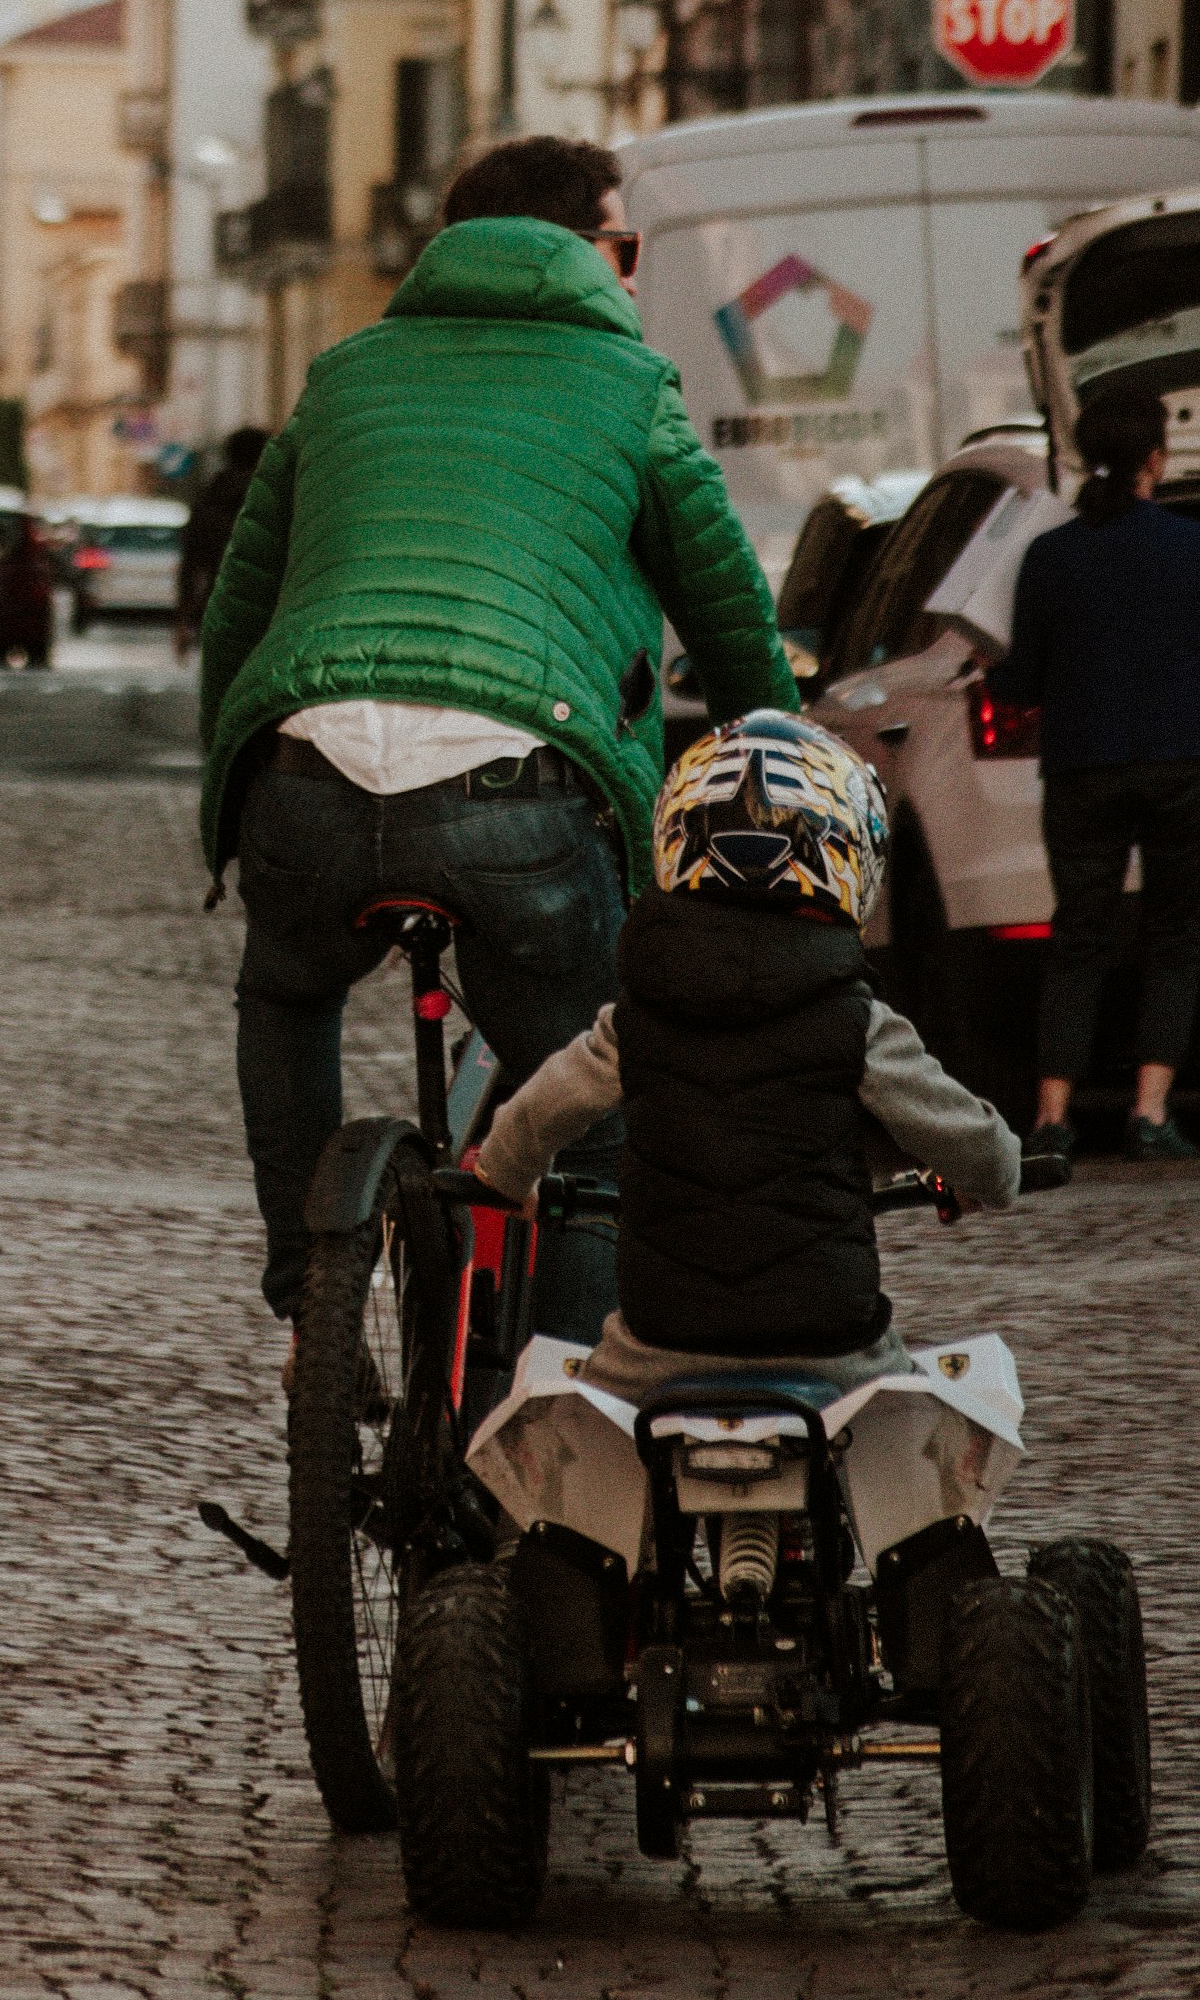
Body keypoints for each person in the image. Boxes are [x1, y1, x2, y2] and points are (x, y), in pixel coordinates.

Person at [199, 131, 797, 1353]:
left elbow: (236, 610)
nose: (631, 276)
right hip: (517, 788)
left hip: (305, 769)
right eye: (623, 246)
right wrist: (781, 765)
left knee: (285, 989)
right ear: (583, 249)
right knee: (592, 1115)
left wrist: (228, 797)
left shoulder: (346, 371)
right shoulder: (631, 389)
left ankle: (310, 1289)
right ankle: (550, 1425)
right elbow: (731, 613)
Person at [474, 712, 1020, 1402]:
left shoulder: (635, 1019)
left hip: (653, 1353)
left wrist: (505, 1179)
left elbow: (532, 1119)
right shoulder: (859, 1024)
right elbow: (986, 1156)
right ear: (850, 855)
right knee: (935, 1426)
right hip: (834, 1354)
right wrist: (989, 1173)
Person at [988, 380, 1200, 1164]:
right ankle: (1149, 1111)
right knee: (1177, 935)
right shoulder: (1190, 549)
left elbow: (1018, 686)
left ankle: (1053, 1118)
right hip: (1182, 763)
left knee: (1078, 936)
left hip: (1081, 770)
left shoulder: (1049, 557)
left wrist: (994, 664)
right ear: (1157, 456)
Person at [174, 426, 269, 659]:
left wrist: (182, 621)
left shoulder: (209, 500)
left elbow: (190, 568)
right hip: (271, 609)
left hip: (219, 609)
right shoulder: (275, 501)